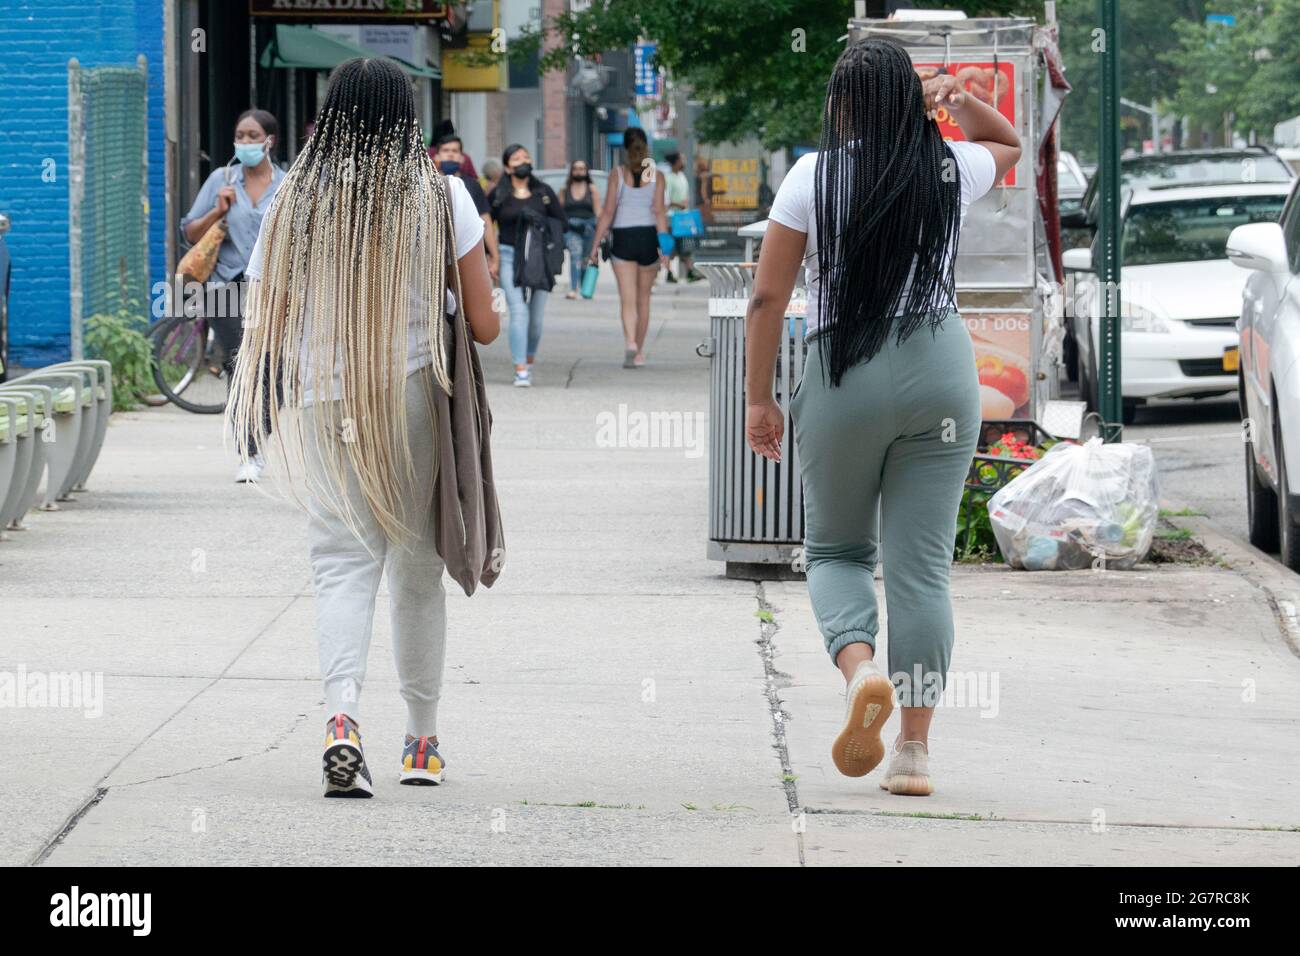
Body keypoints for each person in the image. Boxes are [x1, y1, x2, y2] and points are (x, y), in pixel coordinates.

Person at [744, 38, 1020, 796]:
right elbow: (1008, 143)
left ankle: (860, 669)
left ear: (840, 106)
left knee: (835, 550)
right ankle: (914, 754)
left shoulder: (811, 176)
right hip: (940, 370)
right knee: (921, 569)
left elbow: (767, 298)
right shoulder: (947, 166)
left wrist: (758, 396)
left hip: (845, 372)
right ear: (911, 100)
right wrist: (957, 101)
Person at [228, 57, 498, 798]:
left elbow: (270, 322)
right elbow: (482, 324)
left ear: (331, 114)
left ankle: (342, 720)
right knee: (416, 566)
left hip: (323, 397)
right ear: (406, 116)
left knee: (342, 565)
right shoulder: (443, 197)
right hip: (414, 391)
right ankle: (422, 740)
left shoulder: (293, 202)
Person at [180, 108, 285, 483]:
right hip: (225, 287)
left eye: (253, 136)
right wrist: (217, 211)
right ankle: (249, 450)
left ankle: (263, 431)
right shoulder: (220, 180)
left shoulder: (286, 185)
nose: (244, 143)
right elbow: (190, 233)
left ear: (269, 140)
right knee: (240, 365)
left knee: (274, 368)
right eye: (240, 136)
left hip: (271, 290)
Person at [588, 127, 669, 368]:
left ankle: (630, 343)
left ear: (625, 148)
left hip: (623, 237)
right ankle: (640, 352)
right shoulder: (657, 176)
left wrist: (595, 245)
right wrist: (664, 248)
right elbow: (659, 212)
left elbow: (608, 212)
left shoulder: (618, 174)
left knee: (627, 299)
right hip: (648, 237)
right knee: (644, 299)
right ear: (646, 147)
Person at [489, 144, 567, 387]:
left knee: (536, 319)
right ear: (507, 167)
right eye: (516, 158)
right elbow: (483, 225)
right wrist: (490, 258)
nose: (523, 161)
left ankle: (529, 359)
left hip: (539, 258)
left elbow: (561, 221)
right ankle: (520, 368)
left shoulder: (543, 192)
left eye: (526, 156)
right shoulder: (498, 195)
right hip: (508, 256)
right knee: (518, 311)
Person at [434, 132, 500, 280]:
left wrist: (494, 257)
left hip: (467, 253)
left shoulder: (472, 185)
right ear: (436, 156)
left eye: (455, 151)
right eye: (446, 151)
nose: (450, 155)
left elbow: (485, 221)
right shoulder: (428, 184)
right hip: (436, 256)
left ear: (462, 158)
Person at [560, 159, 600, 299]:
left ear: (586, 171)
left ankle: (585, 287)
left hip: (589, 228)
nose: (579, 171)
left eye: (582, 168)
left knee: (585, 259)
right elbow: (559, 211)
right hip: (571, 228)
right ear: (572, 171)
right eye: (576, 168)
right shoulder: (565, 190)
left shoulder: (592, 189)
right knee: (575, 254)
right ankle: (573, 288)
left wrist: (601, 232)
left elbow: (598, 212)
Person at [661, 151, 702, 284]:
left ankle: (690, 271)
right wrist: (678, 204)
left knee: (685, 246)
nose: (683, 162)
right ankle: (668, 272)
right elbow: (665, 199)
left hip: (683, 218)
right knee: (670, 247)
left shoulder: (682, 176)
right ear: (676, 161)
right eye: (682, 159)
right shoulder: (668, 178)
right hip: (672, 218)